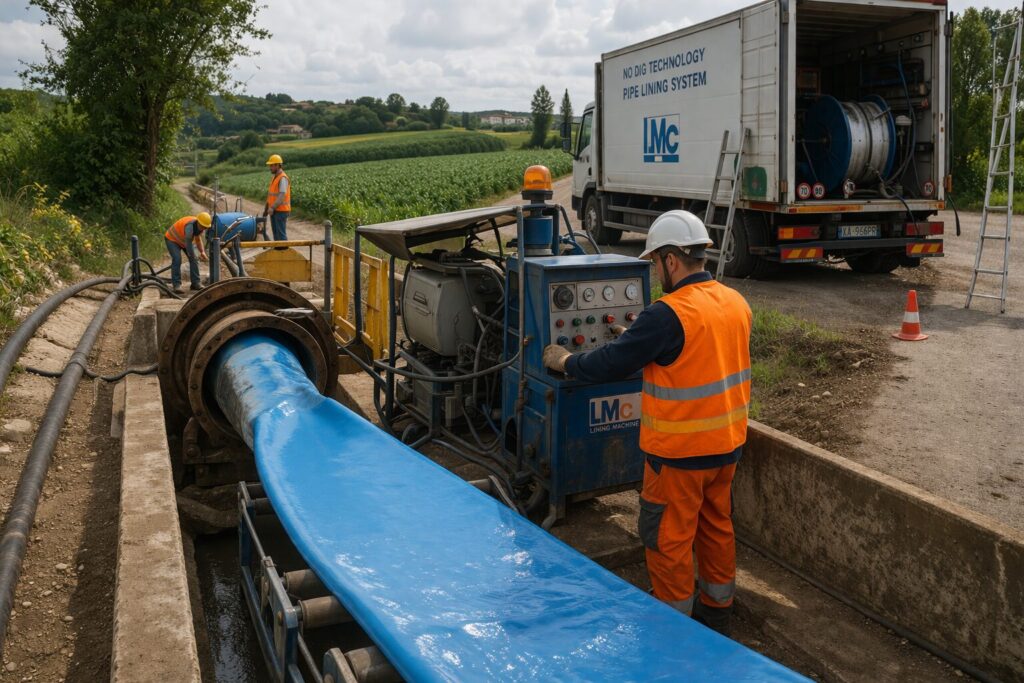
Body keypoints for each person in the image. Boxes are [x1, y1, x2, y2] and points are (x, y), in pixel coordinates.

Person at [541, 210, 752, 635]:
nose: (656, 273)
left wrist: (566, 361)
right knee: (715, 528)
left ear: (671, 260)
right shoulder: (734, 302)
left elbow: (610, 363)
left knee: (668, 540)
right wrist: (634, 337)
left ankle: (673, 627)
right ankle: (717, 610)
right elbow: (694, 354)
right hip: (726, 447)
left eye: (655, 263)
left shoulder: (667, 313)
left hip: (677, 457)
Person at [165, 212, 211, 293]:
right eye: (203, 227)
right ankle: (176, 285)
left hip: (183, 241)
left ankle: (195, 283)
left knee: (194, 259)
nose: (204, 229)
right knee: (177, 259)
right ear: (198, 222)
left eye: (205, 227)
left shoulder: (199, 227)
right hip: (172, 239)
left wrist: (202, 252)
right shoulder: (189, 228)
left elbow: (198, 240)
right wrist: (192, 255)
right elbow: (188, 245)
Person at [264, 153, 291, 241]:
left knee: (281, 235)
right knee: (276, 234)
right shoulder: (275, 178)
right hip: (275, 210)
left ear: (278, 165)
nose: (270, 167)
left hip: (281, 211)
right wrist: (266, 209)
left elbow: (281, 196)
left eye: (272, 165)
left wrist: (272, 207)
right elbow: (270, 196)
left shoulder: (282, 178)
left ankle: (284, 252)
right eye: (270, 165)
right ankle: (278, 252)